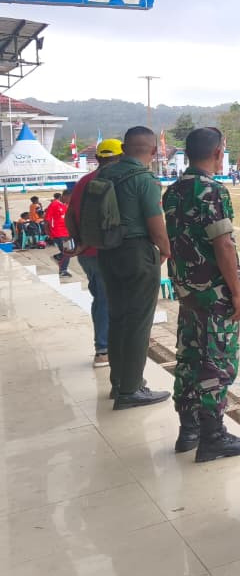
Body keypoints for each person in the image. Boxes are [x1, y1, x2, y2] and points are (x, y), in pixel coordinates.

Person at [163, 127, 240, 461]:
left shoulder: (173, 191)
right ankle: (213, 435)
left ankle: (188, 429)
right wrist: (237, 293)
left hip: (188, 291)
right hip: (213, 293)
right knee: (216, 363)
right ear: (218, 152)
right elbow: (223, 244)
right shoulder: (211, 191)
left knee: (189, 358)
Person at [96, 127, 170, 409]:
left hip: (107, 252)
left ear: (124, 149)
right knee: (139, 322)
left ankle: (119, 382)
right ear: (153, 151)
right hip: (137, 252)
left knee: (117, 318)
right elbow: (155, 223)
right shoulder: (144, 179)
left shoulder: (105, 174)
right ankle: (131, 389)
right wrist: (165, 250)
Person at [65, 139, 121, 367]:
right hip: (106, 251)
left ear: (97, 158)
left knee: (101, 296)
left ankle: (109, 345)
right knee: (107, 299)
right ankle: (104, 349)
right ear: (120, 157)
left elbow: (70, 216)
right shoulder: (115, 180)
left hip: (86, 252)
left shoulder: (83, 182)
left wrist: (79, 242)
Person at [45, 190, 72, 276]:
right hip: (58, 233)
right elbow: (47, 220)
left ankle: (58, 257)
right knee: (68, 252)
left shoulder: (66, 205)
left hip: (66, 233)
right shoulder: (54, 204)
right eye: (69, 198)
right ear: (64, 196)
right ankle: (63, 270)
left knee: (71, 250)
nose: (70, 200)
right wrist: (49, 234)